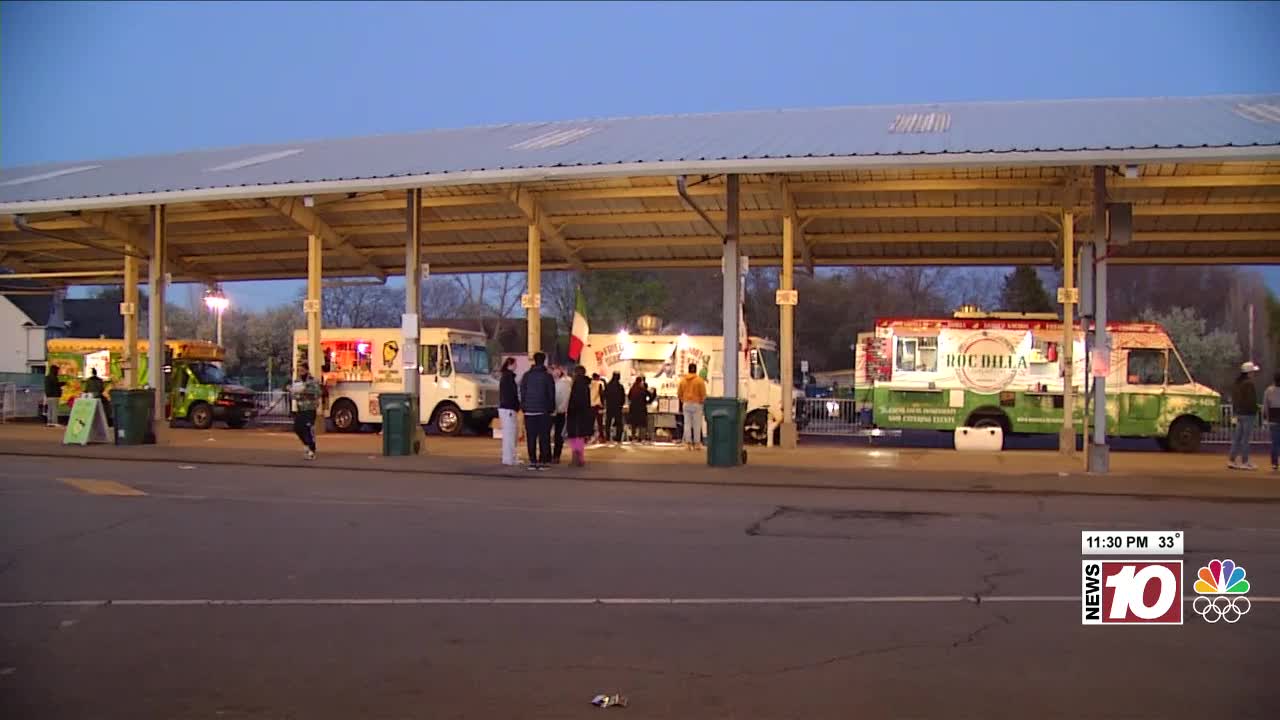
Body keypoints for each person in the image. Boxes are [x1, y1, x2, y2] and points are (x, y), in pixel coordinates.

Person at [518, 351, 556, 470]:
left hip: (529, 411)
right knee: (544, 437)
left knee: (531, 437)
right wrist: (551, 408)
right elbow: (551, 394)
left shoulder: (526, 376)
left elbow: (522, 392)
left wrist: (524, 406)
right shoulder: (547, 376)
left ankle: (532, 461)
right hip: (543, 411)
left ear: (534, 360)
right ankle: (543, 461)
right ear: (544, 360)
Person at [1229, 361, 1260, 471]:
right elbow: (1251, 400)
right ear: (1249, 372)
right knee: (1246, 439)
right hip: (1248, 414)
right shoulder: (1249, 384)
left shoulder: (1237, 383)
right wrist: (1256, 410)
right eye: (1252, 372)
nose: (1253, 374)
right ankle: (1245, 461)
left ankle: (1232, 460)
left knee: (1237, 438)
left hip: (1238, 413)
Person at [565, 366, 594, 466]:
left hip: (575, 413)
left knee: (575, 436)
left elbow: (575, 400)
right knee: (580, 436)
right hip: (584, 413)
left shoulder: (577, 384)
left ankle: (576, 458)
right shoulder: (586, 384)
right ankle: (580, 457)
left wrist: (570, 409)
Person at [291, 366, 321, 460]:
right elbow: (294, 396)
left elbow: (318, 392)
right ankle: (306, 444)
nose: (300, 372)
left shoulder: (312, 381)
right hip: (301, 409)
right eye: (299, 370)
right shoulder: (297, 381)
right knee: (297, 428)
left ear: (307, 370)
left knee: (308, 428)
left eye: (302, 370)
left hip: (310, 408)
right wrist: (293, 392)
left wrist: (305, 390)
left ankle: (312, 449)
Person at [677, 362, 707, 450]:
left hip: (686, 404)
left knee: (687, 424)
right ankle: (697, 444)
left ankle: (688, 444)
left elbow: (679, 393)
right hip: (697, 404)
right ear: (696, 370)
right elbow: (703, 394)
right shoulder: (699, 381)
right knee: (697, 425)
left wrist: (683, 400)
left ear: (689, 369)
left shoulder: (683, 380)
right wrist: (701, 401)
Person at [498, 357, 520, 466]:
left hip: (506, 409)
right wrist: (517, 406)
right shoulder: (508, 377)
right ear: (510, 364)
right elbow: (511, 395)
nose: (516, 365)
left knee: (510, 435)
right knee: (510, 435)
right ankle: (509, 459)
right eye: (515, 363)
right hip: (508, 409)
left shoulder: (505, 376)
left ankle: (510, 457)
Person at [552, 365, 572, 463]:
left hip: (559, 412)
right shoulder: (554, 382)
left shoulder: (564, 383)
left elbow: (564, 399)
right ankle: (552, 455)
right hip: (554, 411)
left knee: (558, 435)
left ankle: (556, 456)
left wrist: (561, 409)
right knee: (554, 435)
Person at [627, 377, 652, 444]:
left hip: (633, 408)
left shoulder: (632, 389)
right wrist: (648, 402)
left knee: (634, 424)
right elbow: (651, 395)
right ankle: (642, 438)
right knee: (642, 424)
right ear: (641, 382)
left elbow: (629, 397)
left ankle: (633, 438)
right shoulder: (643, 389)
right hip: (642, 408)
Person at [604, 372, 626, 445]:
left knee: (608, 423)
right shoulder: (620, 386)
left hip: (610, 406)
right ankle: (618, 438)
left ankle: (607, 437)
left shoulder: (608, 386)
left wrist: (606, 403)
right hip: (618, 407)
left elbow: (604, 395)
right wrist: (621, 404)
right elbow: (623, 397)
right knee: (619, 423)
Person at [1264, 371, 1280, 472]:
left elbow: (1266, 405)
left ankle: (1274, 464)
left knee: (1275, 442)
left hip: (1274, 417)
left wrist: (1266, 417)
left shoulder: (1269, 390)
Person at [589, 372, 605, 444]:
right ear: (597, 377)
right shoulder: (600, 383)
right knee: (600, 422)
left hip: (590, 405)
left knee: (591, 422)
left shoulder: (589, 384)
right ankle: (601, 437)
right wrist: (603, 404)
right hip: (598, 405)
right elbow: (601, 394)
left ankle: (590, 436)